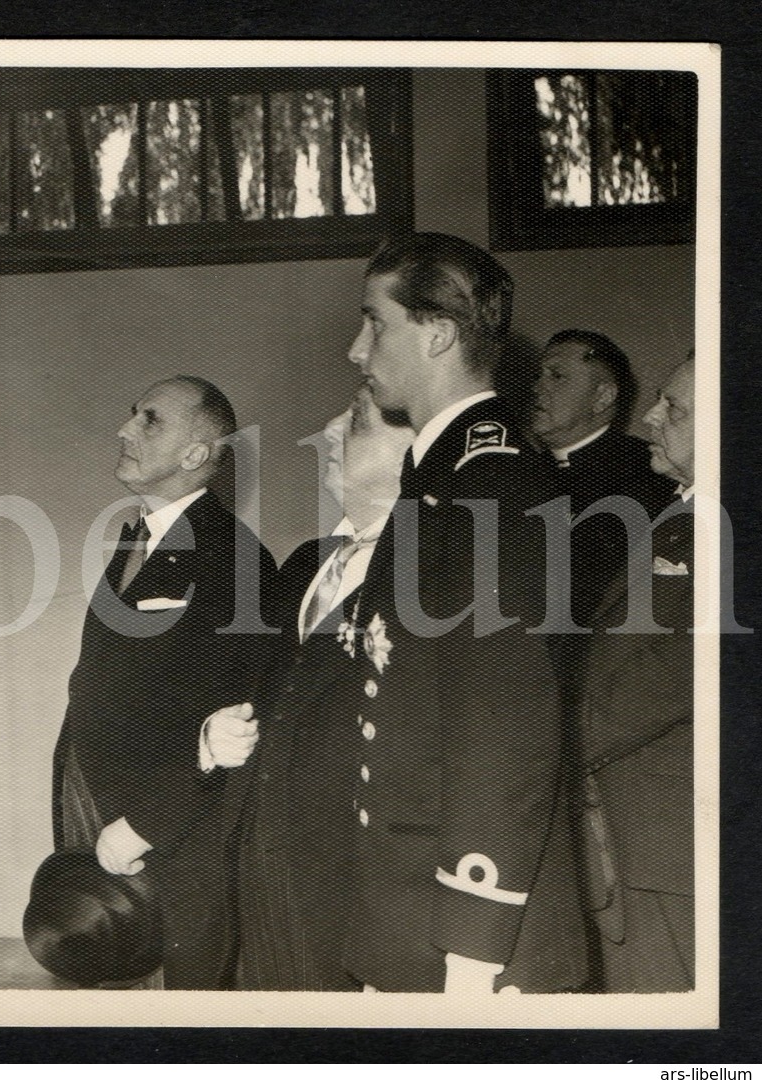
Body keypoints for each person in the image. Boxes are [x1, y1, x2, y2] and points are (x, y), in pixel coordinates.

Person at [207, 233, 588, 993]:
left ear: (437, 332)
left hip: (466, 927)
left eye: (374, 322)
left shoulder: (490, 480)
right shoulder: (439, 475)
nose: (356, 348)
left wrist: (473, 946)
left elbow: (502, 719)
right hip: (404, 911)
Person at [52, 375, 277, 989]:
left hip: (171, 845)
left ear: (196, 454)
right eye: (132, 413)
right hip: (103, 822)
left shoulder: (235, 558)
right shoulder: (139, 538)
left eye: (149, 419)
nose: (125, 429)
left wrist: (145, 824)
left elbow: (238, 723)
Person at [221, 385, 414, 991]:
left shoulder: (434, 569)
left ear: (418, 446)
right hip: (261, 864)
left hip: (357, 884)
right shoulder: (307, 563)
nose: (329, 429)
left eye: (356, 419)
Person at [576, 355, 696, 991]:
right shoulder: (678, 516)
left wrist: (533, 745)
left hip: (674, 855)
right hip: (636, 845)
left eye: (674, 409)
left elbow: (672, 673)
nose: (649, 416)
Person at [528, 330, 679, 675]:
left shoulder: (650, 475)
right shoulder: (514, 471)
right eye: (538, 374)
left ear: (602, 398)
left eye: (557, 376)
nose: (538, 387)